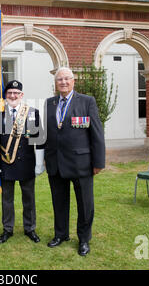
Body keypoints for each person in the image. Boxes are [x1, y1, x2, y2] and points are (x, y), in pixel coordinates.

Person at [43, 67, 105, 256]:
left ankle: (84, 239)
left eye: (66, 79)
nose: (63, 82)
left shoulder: (87, 102)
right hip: (56, 163)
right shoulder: (50, 103)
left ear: (73, 81)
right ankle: (61, 234)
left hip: (81, 163)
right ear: (56, 83)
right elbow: (47, 133)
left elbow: (96, 133)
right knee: (59, 202)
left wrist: (98, 162)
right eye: (59, 79)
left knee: (85, 204)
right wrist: (44, 158)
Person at [0, 80, 45, 244]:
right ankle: (7, 229)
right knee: (7, 199)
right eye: (10, 93)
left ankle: (30, 228)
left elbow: (39, 139)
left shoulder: (31, 112)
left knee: (28, 198)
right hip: (5, 163)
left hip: (26, 163)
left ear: (21, 95)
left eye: (16, 93)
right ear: (5, 95)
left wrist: (39, 164)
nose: (13, 96)